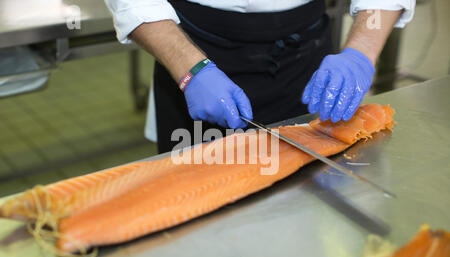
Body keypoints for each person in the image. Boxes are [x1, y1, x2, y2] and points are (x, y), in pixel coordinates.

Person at [105, 0, 415, 153]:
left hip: (305, 63)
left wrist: (360, 52)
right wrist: (190, 69)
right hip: (192, 54)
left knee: (302, 214)